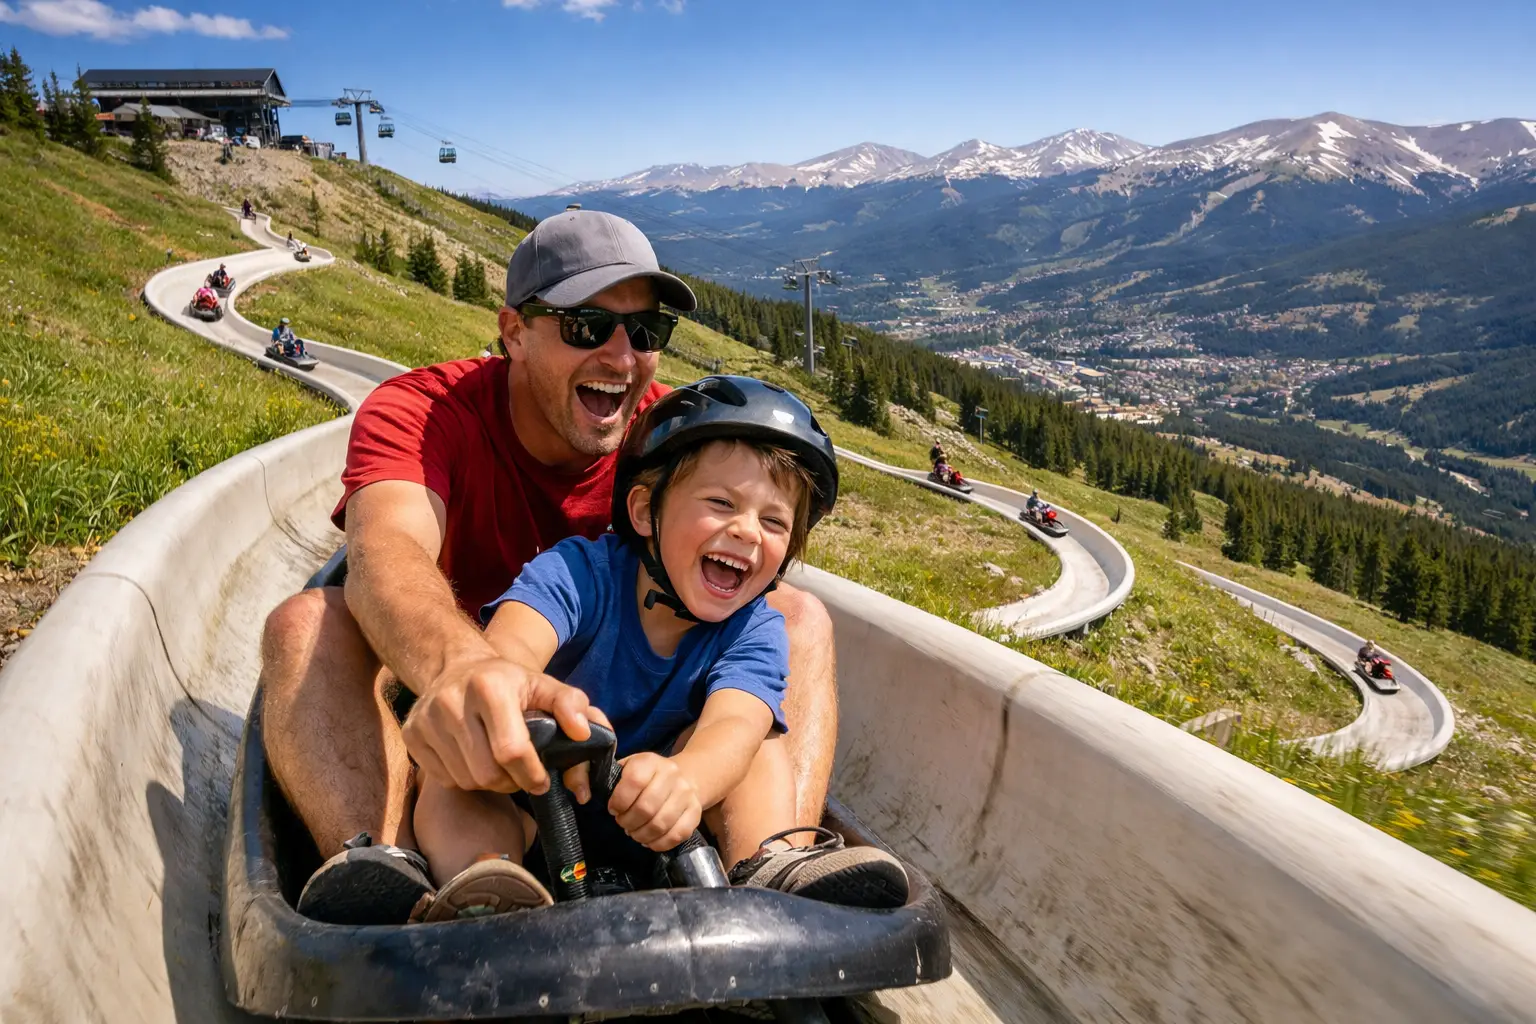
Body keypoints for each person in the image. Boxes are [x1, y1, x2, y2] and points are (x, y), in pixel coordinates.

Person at [259, 209, 839, 926]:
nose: (623, 359)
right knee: (304, 623)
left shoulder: (672, 447)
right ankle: (397, 878)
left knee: (800, 619)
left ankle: (780, 870)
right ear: (514, 333)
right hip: (466, 725)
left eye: (646, 333)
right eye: (588, 327)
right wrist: (466, 671)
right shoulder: (425, 411)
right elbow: (385, 556)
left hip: (637, 741)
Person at [405, 377, 907, 922]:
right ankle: (484, 883)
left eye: (773, 521)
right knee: (458, 771)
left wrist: (687, 779)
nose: (747, 533)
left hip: (660, 826)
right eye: (721, 503)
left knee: (760, 746)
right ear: (645, 512)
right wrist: (518, 703)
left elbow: (733, 726)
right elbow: (510, 650)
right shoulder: (579, 572)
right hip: (531, 806)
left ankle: (768, 868)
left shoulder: (754, 629)